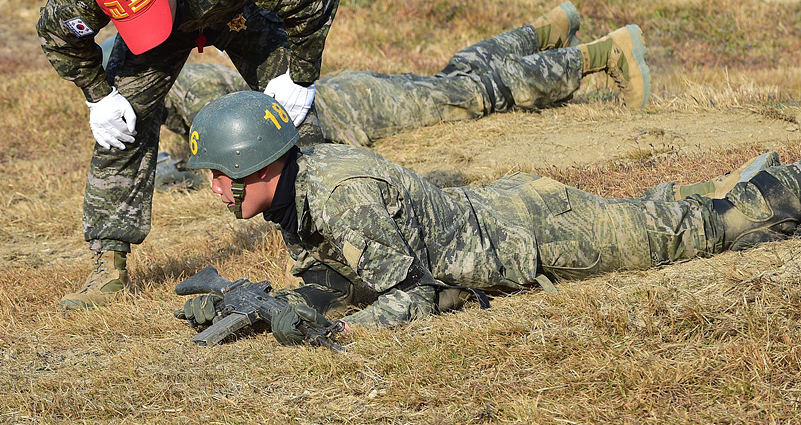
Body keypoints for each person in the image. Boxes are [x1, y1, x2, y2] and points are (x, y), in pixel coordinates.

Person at [176, 89, 801, 345]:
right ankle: (728, 186)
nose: (211, 187)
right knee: (646, 219)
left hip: (532, 233)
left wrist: (340, 335)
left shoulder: (341, 197)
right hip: (508, 211)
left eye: (217, 174)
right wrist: (263, 308)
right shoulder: (295, 191)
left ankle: (780, 190)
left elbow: (413, 297)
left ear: (256, 165)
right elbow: (345, 278)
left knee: (691, 234)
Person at [38, 0, 340, 310]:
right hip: (153, 40)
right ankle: (107, 265)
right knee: (120, 125)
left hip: (234, 9)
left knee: (293, 120)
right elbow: (56, 35)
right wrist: (99, 96)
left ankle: (324, 249)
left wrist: (300, 77)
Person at [160, 2, 649, 155]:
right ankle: (546, 31)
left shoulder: (189, 88)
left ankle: (601, 56)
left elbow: (232, 143)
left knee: (475, 94)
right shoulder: (176, 88)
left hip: (353, 107)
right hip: (346, 97)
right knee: (455, 78)